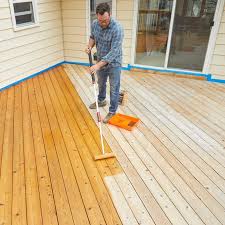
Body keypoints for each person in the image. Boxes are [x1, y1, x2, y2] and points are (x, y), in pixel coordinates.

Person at [85, 2, 124, 123]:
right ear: (97, 16)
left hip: (114, 63)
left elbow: (114, 52)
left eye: (105, 20)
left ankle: (112, 111)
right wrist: (89, 46)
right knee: (101, 83)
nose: (102, 23)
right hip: (100, 60)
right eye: (100, 20)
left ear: (110, 15)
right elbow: (92, 36)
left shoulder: (117, 28)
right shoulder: (95, 24)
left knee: (114, 88)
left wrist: (97, 65)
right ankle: (101, 100)